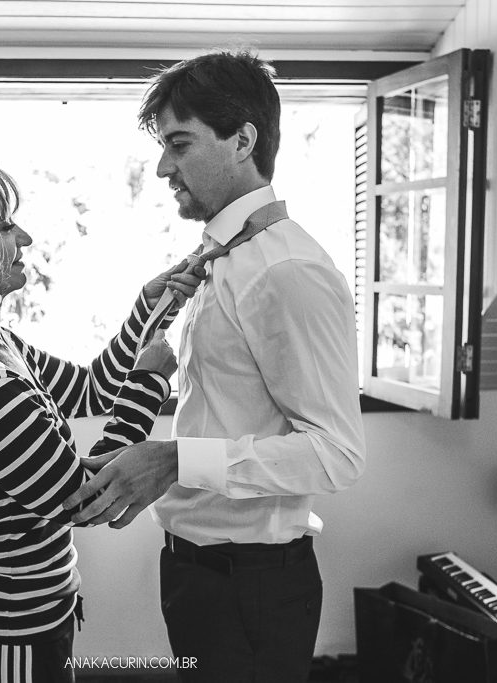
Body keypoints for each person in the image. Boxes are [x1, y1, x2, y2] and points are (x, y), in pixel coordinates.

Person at [63, 51, 367, 682]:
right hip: (198, 573)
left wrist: (173, 461)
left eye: (179, 144)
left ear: (242, 141)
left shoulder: (287, 270)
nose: (162, 168)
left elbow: (336, 454)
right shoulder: (223, 257)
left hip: (250, 587)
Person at [0, 156, 205, 683]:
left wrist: (149, 309)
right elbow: (84, 499)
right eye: (5, 225)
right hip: (5, 637)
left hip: (26, 622)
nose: (24, 237)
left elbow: (90, 389)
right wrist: (149, 384)